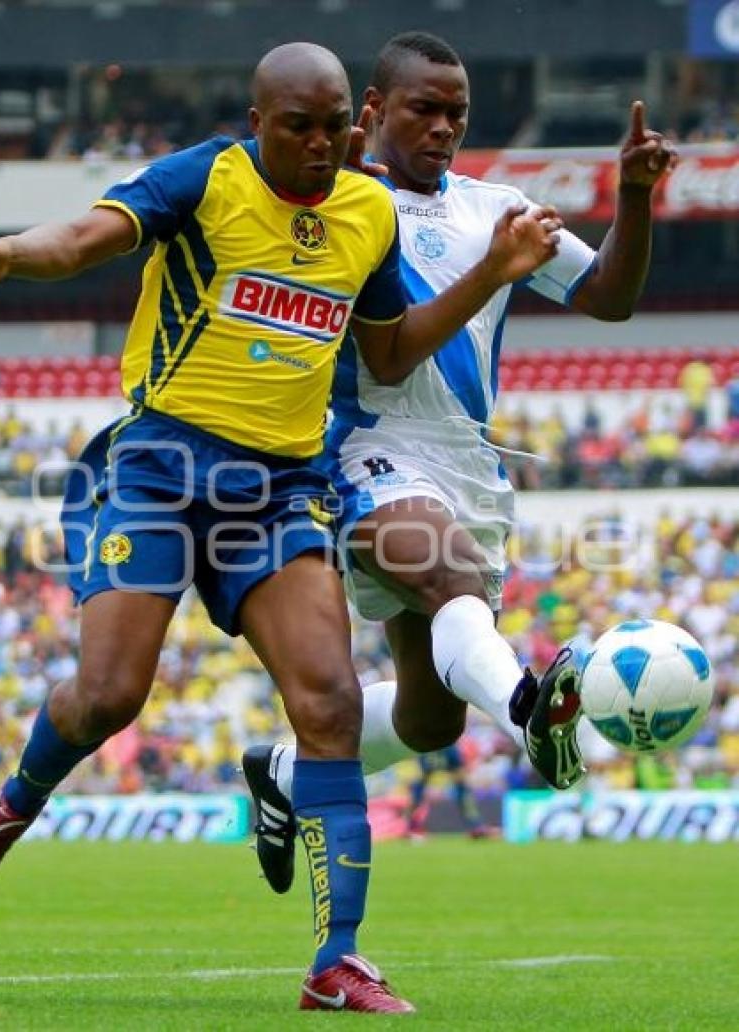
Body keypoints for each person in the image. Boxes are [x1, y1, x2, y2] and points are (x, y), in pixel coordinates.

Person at [0, 42, 560, 1014]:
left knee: (330, 700)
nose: (318, 145)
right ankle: (11, 803)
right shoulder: (203, 181)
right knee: (109, 695)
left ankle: (336, 961)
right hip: (162, 468)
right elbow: (88, 236)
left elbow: (386, 348)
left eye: (333, 127)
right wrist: (6, 255)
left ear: (351, 124)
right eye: (297, 127)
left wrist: (490, 274)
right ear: (258, 124)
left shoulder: (366, 212)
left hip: (284, 487)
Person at [241, 31, 677, 895]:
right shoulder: (344, 206)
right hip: (364, 445)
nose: (443, 127)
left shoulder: (496, 208)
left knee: (428, 717)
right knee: (452, 579)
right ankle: (529, 709)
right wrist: (494, 271)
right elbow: (391, 357)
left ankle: (281, 775)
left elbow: (611, 300)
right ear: (373, 111)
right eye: (424, 109)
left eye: (457, 114)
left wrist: (632, 197)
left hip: (469, 464)